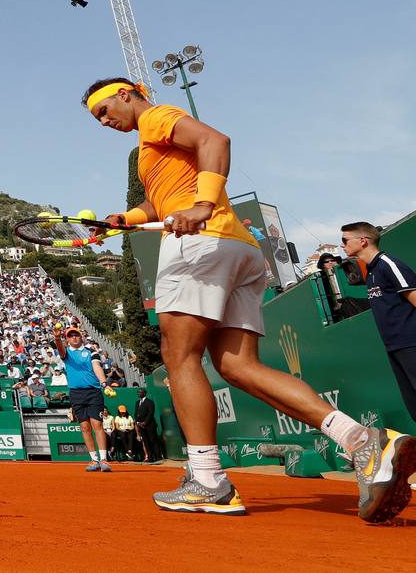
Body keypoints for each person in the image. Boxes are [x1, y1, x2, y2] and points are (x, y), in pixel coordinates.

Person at [86, 78, 414, 521]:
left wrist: (202, 205)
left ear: (125, 94)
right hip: (237, 249)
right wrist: (125, 218)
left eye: (104, 110)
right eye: (97, 119)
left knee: (179, 356)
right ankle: (362, 441)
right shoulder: (150, 148)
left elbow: (215, 140)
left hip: (201, 246)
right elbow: (163, 201)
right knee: (239, 366)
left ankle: (206, 480)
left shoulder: (155, 118)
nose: (104, 122)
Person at [341, 222, 416, 426]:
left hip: (411, 343)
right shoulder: (371, 272)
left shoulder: (388, 263)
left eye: (345, 240)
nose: (342, 246)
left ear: (362, 241)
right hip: (394, 347)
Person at [56, 325, 110, 472]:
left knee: (97, 425)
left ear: (81, 337)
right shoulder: (66, 353)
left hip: (93, 392)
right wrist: (56, 337)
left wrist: (104, 383)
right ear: (67, 339)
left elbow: (97, 368)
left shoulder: (91, 352)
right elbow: (60, 349)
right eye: (70, 336)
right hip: (76, 393)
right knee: (84, 427)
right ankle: (94, 460)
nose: (74, 337)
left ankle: (104, 459)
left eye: (76, 335)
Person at [133, 388, 163, 464]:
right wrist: (137, 422)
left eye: (140, 392)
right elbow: (136, 413)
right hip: (141, 426)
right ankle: (150, 457)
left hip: (149, 425)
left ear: (144, 393)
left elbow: (151, 413)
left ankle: (157, 456)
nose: (139, 393)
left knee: (153, 441)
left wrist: (145, 422)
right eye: (138, 392)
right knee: (146, 442)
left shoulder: (149, 402)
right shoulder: (137, 403)